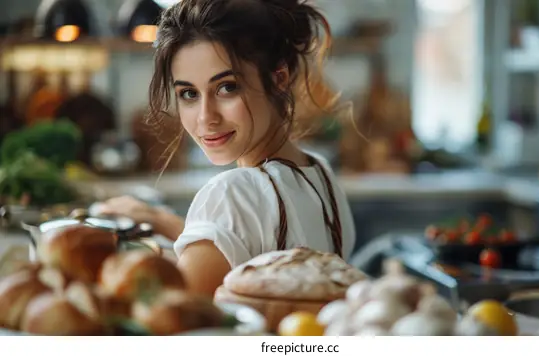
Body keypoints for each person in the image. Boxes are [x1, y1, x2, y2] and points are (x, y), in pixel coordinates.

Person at [96, 0, 356, 297]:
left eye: (227, 87)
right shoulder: (320, 173)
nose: (206, 117)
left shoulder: (230, 193)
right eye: (189, 93)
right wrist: (162, 221)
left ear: (279, 80)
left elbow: (172, 315)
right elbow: (251, 245)